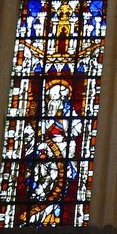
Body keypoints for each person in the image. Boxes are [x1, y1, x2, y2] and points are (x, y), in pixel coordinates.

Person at [20, 79, 79, 226]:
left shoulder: (68, 114)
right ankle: (33, 218)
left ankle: (51, 217)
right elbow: (30, 134)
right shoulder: (42, 117)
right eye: (51, 97)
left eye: (58, 98)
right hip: (41, 160)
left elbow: (77, 129)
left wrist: (61, 126)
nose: (54, 101)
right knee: (37, 186)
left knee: (56, 187)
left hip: (60, 152)